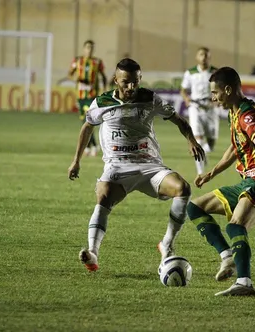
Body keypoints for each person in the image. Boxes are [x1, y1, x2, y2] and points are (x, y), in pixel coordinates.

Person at [67, 58, 205, 272]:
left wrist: (192, 140)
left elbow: (179, 119)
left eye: (135, 82)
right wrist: (76, 160)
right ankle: (93, 252)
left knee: (183, 188)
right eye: (126, 82)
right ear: (115, 80)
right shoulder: (102, 103)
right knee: (103, 195)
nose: (131, 87)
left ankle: (167, 244)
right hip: (117, 167)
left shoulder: (150, 99)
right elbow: (87, 128)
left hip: (150, 166)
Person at [186, 67, 255, 296]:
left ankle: (244, 282)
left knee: (236, 225)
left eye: (215, 93)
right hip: (248, 181)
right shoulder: (235, 113)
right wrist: (211, 173)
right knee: (194, 207)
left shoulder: (247, 114)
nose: (213, 97)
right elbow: (236, 147)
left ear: (228, 90)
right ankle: (227, 256)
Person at [180, 47, 219, 175]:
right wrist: (186, 99)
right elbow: (183, 89)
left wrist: (217, 100)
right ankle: (200, 172)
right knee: (197, 138)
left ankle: (205, 153)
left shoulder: (215, 72)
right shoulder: (190, 72)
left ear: (210, 57)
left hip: (210, 109)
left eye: (206, 55)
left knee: (211, 143)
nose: (204, 57)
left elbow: (220, 89)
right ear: (197, 57)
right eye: (201, 55)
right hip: (195, 108)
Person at [68, 40, 108, 157]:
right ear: (84, 49)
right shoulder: (77, 61)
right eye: (87, 48)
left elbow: (103, 76)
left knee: (88, 120)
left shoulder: (97, 62)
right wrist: (74, 79)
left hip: (91, 95)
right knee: (83, 120)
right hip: (80, 96)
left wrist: (104, 89)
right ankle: (91, 146)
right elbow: (70, 74)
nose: (89, 50)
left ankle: (93, 146)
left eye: (91, 48)